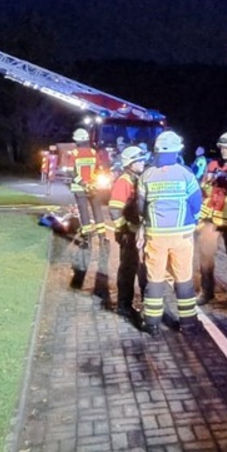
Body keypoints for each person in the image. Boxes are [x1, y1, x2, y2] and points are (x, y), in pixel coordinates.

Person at [137, 131, 203, 335]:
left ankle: (151, 323)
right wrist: (193, 219)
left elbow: (140, 206)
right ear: (176, 151)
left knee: (155, 278)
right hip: (182, 234)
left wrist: (146, 220)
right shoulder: (186, 173)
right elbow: (196, 202)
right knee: (183, 278)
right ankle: (189, 323)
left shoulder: (146, 175)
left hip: (155, 234)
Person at [196, 131, 227, 308]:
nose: (224, 151)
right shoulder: (213, 165)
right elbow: (204, 189)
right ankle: (206, 291)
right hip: (211, 217)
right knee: (206, 256)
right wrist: (207, 184)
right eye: (222, 147)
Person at [107, 146, 149, 321]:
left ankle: (148, 303)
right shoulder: (124, 181)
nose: (143, 162)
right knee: (128, 269)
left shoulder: (137, 179)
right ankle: (124, 305)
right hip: (128, 233)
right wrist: (124, 230)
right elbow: (115, 209)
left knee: (143, 268)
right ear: (130, 164)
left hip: (137, 232)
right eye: (139, 160)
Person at [62, 128, 106, 289]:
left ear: (76, 140)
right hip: (94, 187)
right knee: (97, 211)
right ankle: (102, 237)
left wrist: (83, 183)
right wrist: (92, 182)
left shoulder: (74, 153)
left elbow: (71, 172)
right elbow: (99, 169)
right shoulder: (93, 152)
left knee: (84, 213)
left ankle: (87, 238)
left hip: (80, 188)